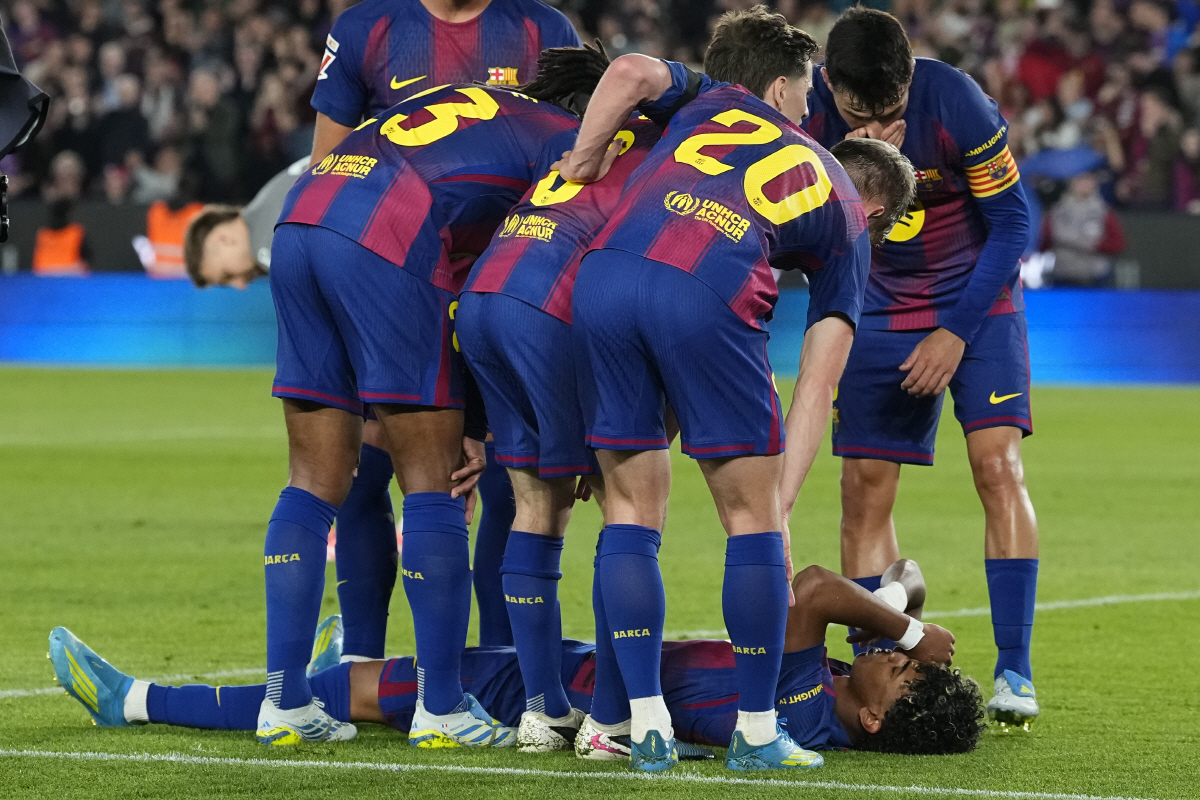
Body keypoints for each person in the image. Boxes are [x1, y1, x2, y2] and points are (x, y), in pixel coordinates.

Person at [459, 50, 913, 754]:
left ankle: (632, 722)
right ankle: (757, 735)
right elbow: (817, 385)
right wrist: (779, 508)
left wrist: (583, 156)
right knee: (749, 519)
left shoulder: (716, 108)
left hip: (600, 275)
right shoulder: (849, 215)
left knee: (626, 508)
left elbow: (634, 74)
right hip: (704, 282)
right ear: (877, 209)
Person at [257, 52, 595, 748]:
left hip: (305, 213)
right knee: (433, 483)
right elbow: (508, 282)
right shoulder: (568, 144)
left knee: (313, 479)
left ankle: (284, 702)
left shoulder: (487, 109)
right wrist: (482, 421)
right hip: (389, 223)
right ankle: (440, 708)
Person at [49, 559, 984, 757]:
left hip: (544, 694)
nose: (893, 659)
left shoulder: (798, 703)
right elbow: (899, 576)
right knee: (399, 665)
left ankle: (133, 700)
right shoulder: (834, 696)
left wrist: (906, 632)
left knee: (343, 693)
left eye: (899, 676)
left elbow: (816, 587)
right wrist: (901, 617)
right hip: (572, 669)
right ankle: (338, 672)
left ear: (872, 716)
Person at [308, 0, 580, 652]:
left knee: (512, 478)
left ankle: (501, 665)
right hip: (398, 281)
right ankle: (364, 661)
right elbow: (329, 166)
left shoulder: (544, 29)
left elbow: (569, 170)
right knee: (367, 467)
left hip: (505, 282)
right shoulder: (367, 28)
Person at [801, 7, 1040, 730]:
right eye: (858, 116)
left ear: (910, 79)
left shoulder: (956, 101)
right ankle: (880, 660)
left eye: (891, 111)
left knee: (997, 466)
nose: (876, 127)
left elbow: (1014, 222)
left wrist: (955, 333)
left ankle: (1015, 670)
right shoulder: (803, 111)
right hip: (875, 304)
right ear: (829, 84)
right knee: (864, 488)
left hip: (976, 301)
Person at [310, 0, 581, 166]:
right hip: (396, 223)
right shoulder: (359, 28)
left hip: (509, 228)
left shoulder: (549, 29)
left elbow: (574, 154)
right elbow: (325, 164)